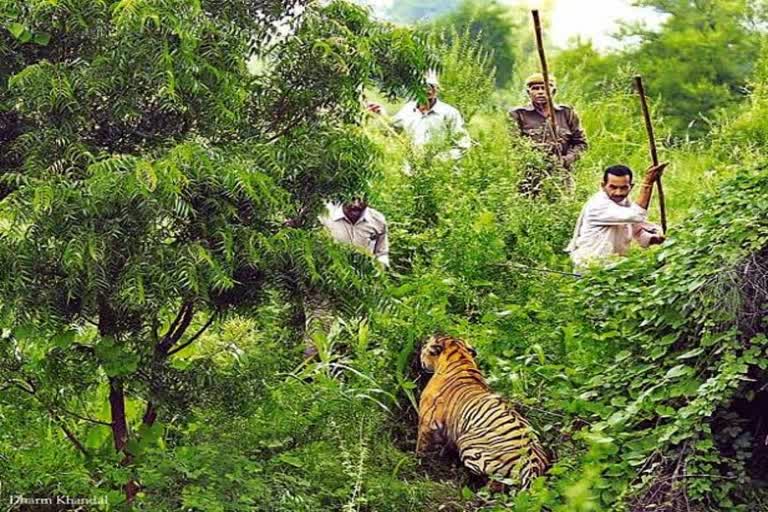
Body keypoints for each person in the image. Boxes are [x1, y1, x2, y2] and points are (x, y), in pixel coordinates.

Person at [566, 163, 668, 269]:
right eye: (613, 187)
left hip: (613, 267)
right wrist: (647, 183)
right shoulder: (598, 205)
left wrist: (652, 239)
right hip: (590, 267)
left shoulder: (624, 202)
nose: (618, 193)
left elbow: (634, 226)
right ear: (603, 185)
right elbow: (636, 215)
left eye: (623, 188)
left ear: (631, 187)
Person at [368, 70, 471, 164]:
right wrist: (380, 113)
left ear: (437, 89)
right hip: (411, 170)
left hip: (439, 173)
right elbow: (391, 129)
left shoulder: (449, 113)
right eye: (424, 85)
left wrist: (440, 160)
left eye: (432, 86)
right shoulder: (408, 109)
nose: (428, 90)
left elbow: (463, 145)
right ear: (416, 89)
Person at [509, 73, 587, 193]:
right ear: (528, 92)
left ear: (553, 91)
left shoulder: (566, 113)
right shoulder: (518, 114)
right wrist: (537, 157)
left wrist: (566, 159)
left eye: (545, 87)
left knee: (564, 206)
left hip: (562, 176)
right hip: (530, 177)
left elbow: (581, 144)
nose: (540, 92)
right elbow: (514, 145)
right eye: (535, 88)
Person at [319, 198, 390, 267]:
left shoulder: (377, 219)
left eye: (360, 200)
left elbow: (381, 253)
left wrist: (381, 269)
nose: (356, 204)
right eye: (352, 199)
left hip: (364, 274)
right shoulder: (325, 215)